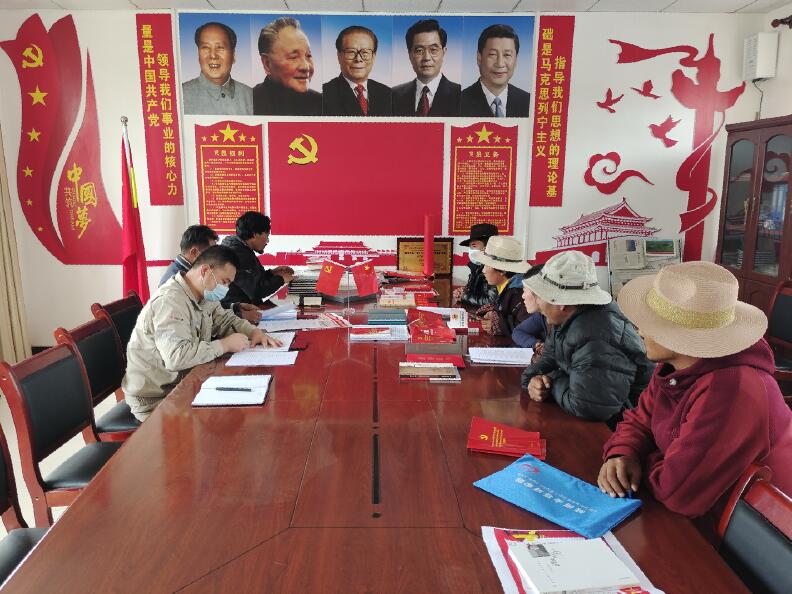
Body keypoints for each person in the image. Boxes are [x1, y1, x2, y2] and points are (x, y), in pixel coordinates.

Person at [598, 261, 792, 518]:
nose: (640, 330)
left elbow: (678, 493)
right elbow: (640, 420)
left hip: (755, 528)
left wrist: (640, 461)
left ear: (680, 336)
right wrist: (623, 454)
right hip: (709, 514)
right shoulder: (675, 366)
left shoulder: (732, 389)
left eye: (651, 322)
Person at [122, 245, 281, 422]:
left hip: (185, 383)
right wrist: (225, 345)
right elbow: (176, 357)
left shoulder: (202, 294)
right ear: (205, 271)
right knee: (224, 422)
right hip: (157, 398)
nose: (226, 288)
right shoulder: (170, 301)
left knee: (241, 407)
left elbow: (225, 320)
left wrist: (254, 332)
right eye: (224, 281)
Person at [521, 251, 653, 427]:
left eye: (540, 296)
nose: (537, 302)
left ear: (561, 303)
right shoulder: (564, 321)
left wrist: (550, 381)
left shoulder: (596, 334)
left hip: (622, 429)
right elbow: (537, 369)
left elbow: (588, 406)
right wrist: (535, 381)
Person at [160, 225, 261, 323]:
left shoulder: (194, 276)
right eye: (211, 252)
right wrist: (238, 316)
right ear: (194, 252)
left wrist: (235, 307)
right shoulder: (173, 288)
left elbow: (210, 307)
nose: (216, 256)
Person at [221, 211, 295, 310]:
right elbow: (256, 291)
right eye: (267, 236)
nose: (267, 241)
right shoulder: (238, 253)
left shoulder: (241, 247)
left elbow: (254, 279)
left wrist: (272, 273)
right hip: (238, 311)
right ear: (255, 234)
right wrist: (281, 279)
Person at [253, 17, 322, 116]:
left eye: (308, 56)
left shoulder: (322, 104)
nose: (306, 67)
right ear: (267, 64)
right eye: (294, 57)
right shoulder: (247, 104)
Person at [392, 19, 461, 117]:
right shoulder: (394, 95)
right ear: (410, 55)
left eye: (433, 50)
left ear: (444, 52)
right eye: (419, 50)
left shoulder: (460, 95)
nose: (427, 58)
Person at [182, 22, 253, 116]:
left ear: (233, 55)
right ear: (198, 54)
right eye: (206, 48)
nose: (213, 56)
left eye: (220, 47)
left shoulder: (251, 96)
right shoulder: (179, 95)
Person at [461, 24, 530, 118]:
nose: (500, 63)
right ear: (479, 58)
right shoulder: (459, 102)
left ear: (516, 60)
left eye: (507, 55)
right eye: (493, 54)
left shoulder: (528, 102)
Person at [322, 26, 391, 116]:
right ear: (339, 56)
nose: (358, 59)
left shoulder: (388, 93)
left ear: (373, 57)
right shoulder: (325, 95)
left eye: (365, 52)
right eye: (351, 52)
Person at [473, 236, 530, 337]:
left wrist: (498, 325)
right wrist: (495, 314)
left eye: (486, 265)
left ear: (502, 271)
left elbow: (527, 327)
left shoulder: (522, 294)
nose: (483, 271)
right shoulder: (505, 288)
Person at [453, 223, 498, 307]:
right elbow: (472, 290)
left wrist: (464, 297)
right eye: (470, 247)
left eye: (473, 246)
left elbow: (491, 302)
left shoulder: (496, 269)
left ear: (487, 247)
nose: (470, 251)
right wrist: (464, 291)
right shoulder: (476, 267)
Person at [512, 264, 548, 363]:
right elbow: (518, 331)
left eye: (524, 290)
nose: (522, 296)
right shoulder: (542, 315)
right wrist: (536, 344)